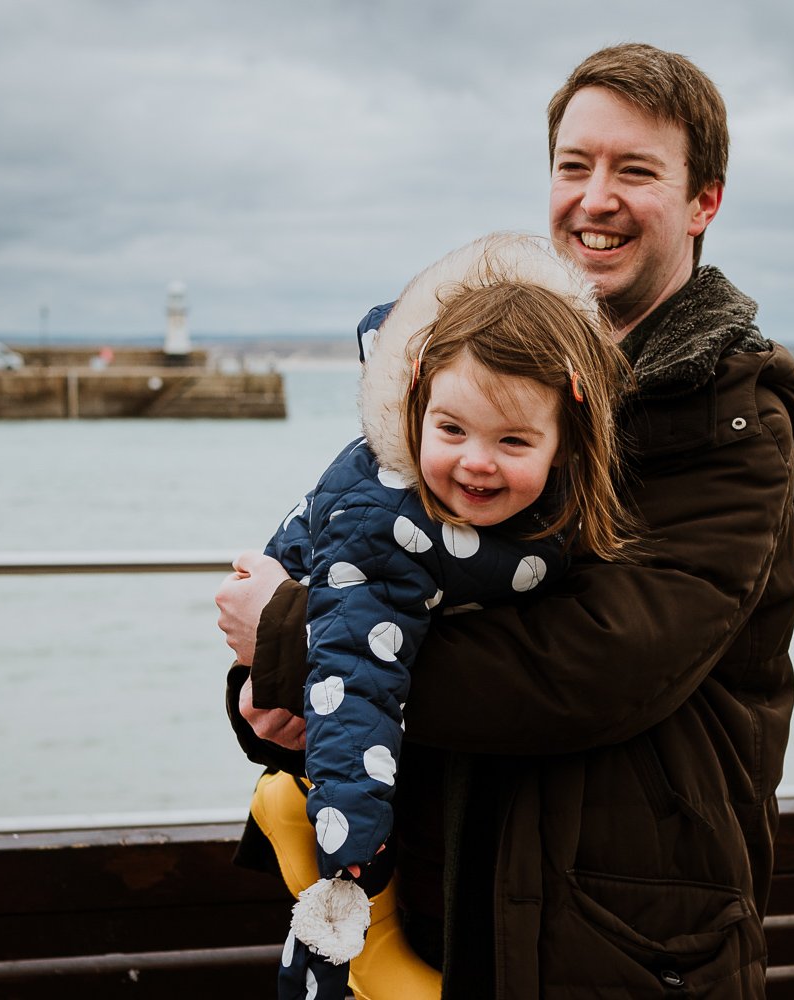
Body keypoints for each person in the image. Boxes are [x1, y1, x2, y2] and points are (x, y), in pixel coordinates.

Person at [220, 42, 794, 998]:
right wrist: (272, 701)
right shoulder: (499, 370)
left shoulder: (732, 420)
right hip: (453, 907)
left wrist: (293, 642)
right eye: (575, 165)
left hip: (625, 940)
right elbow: (381, 563)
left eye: (636, 171)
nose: (596, 198)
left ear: (704, 201)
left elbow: (588, 669)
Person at [235, 232, 632, 1000]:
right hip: (339, 769)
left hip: (412, 765)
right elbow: (355, 678)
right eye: (451, 431)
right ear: (417, 402)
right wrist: (350, 856)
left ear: (566, 443)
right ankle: (329, 871)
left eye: (513, 440)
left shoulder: (544, 506)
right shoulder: (384, 525)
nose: (477, 461)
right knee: (356, 951)